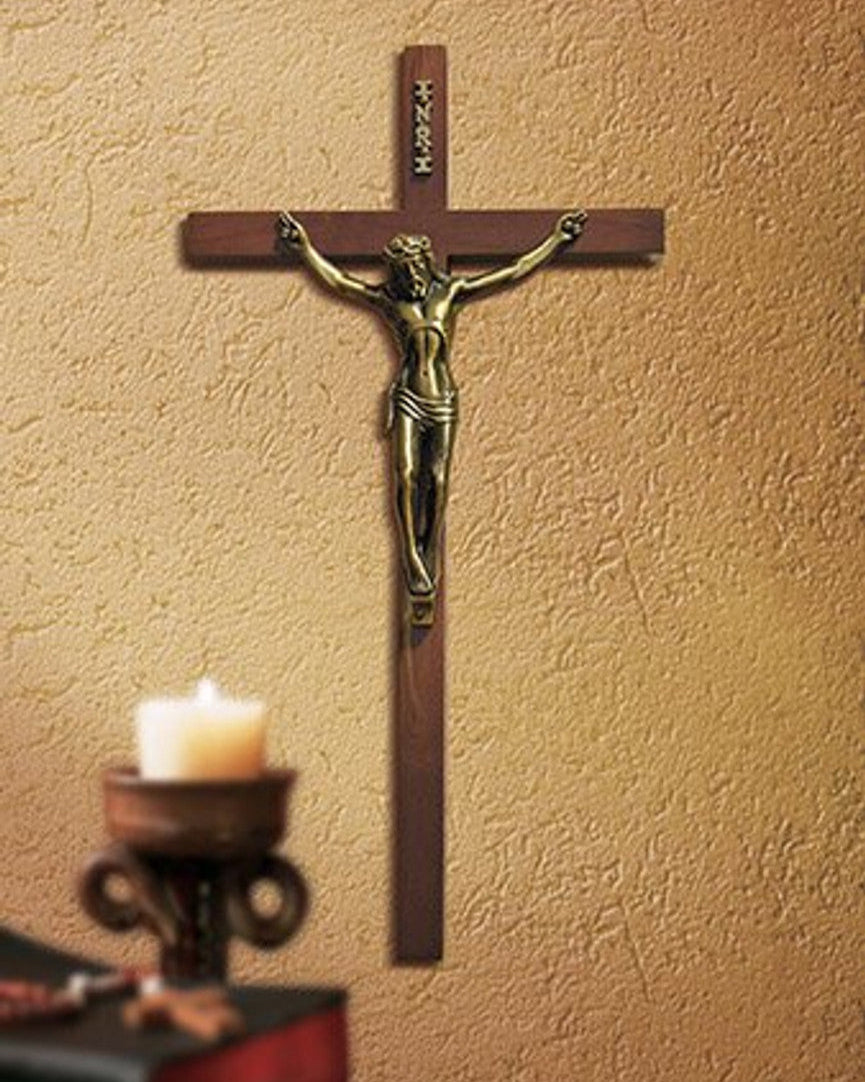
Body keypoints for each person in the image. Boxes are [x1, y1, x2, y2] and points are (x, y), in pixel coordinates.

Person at [276, 209, 587, 625]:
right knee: (405, 477)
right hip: (408, 396)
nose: (412, 280)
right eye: (404, 274)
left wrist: (555, 242)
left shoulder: (450, 294)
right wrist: (305, 249)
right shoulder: (391, 301)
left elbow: (510, 272)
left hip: (442, 400)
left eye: (415, 271)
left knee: (437, 481)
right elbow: (341, 283)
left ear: (425, 265)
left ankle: (428, 550)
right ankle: (410, 554)